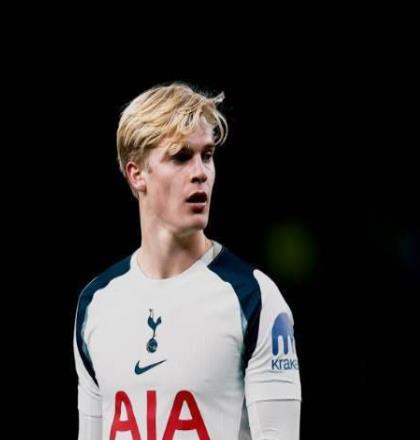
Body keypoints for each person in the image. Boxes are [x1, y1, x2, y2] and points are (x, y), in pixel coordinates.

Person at [74, 82, 301, 439]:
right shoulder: (95, 303)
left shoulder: (253, 297)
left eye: (207, 155)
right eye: (181, 157)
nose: (201, 172)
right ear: (136, 174)